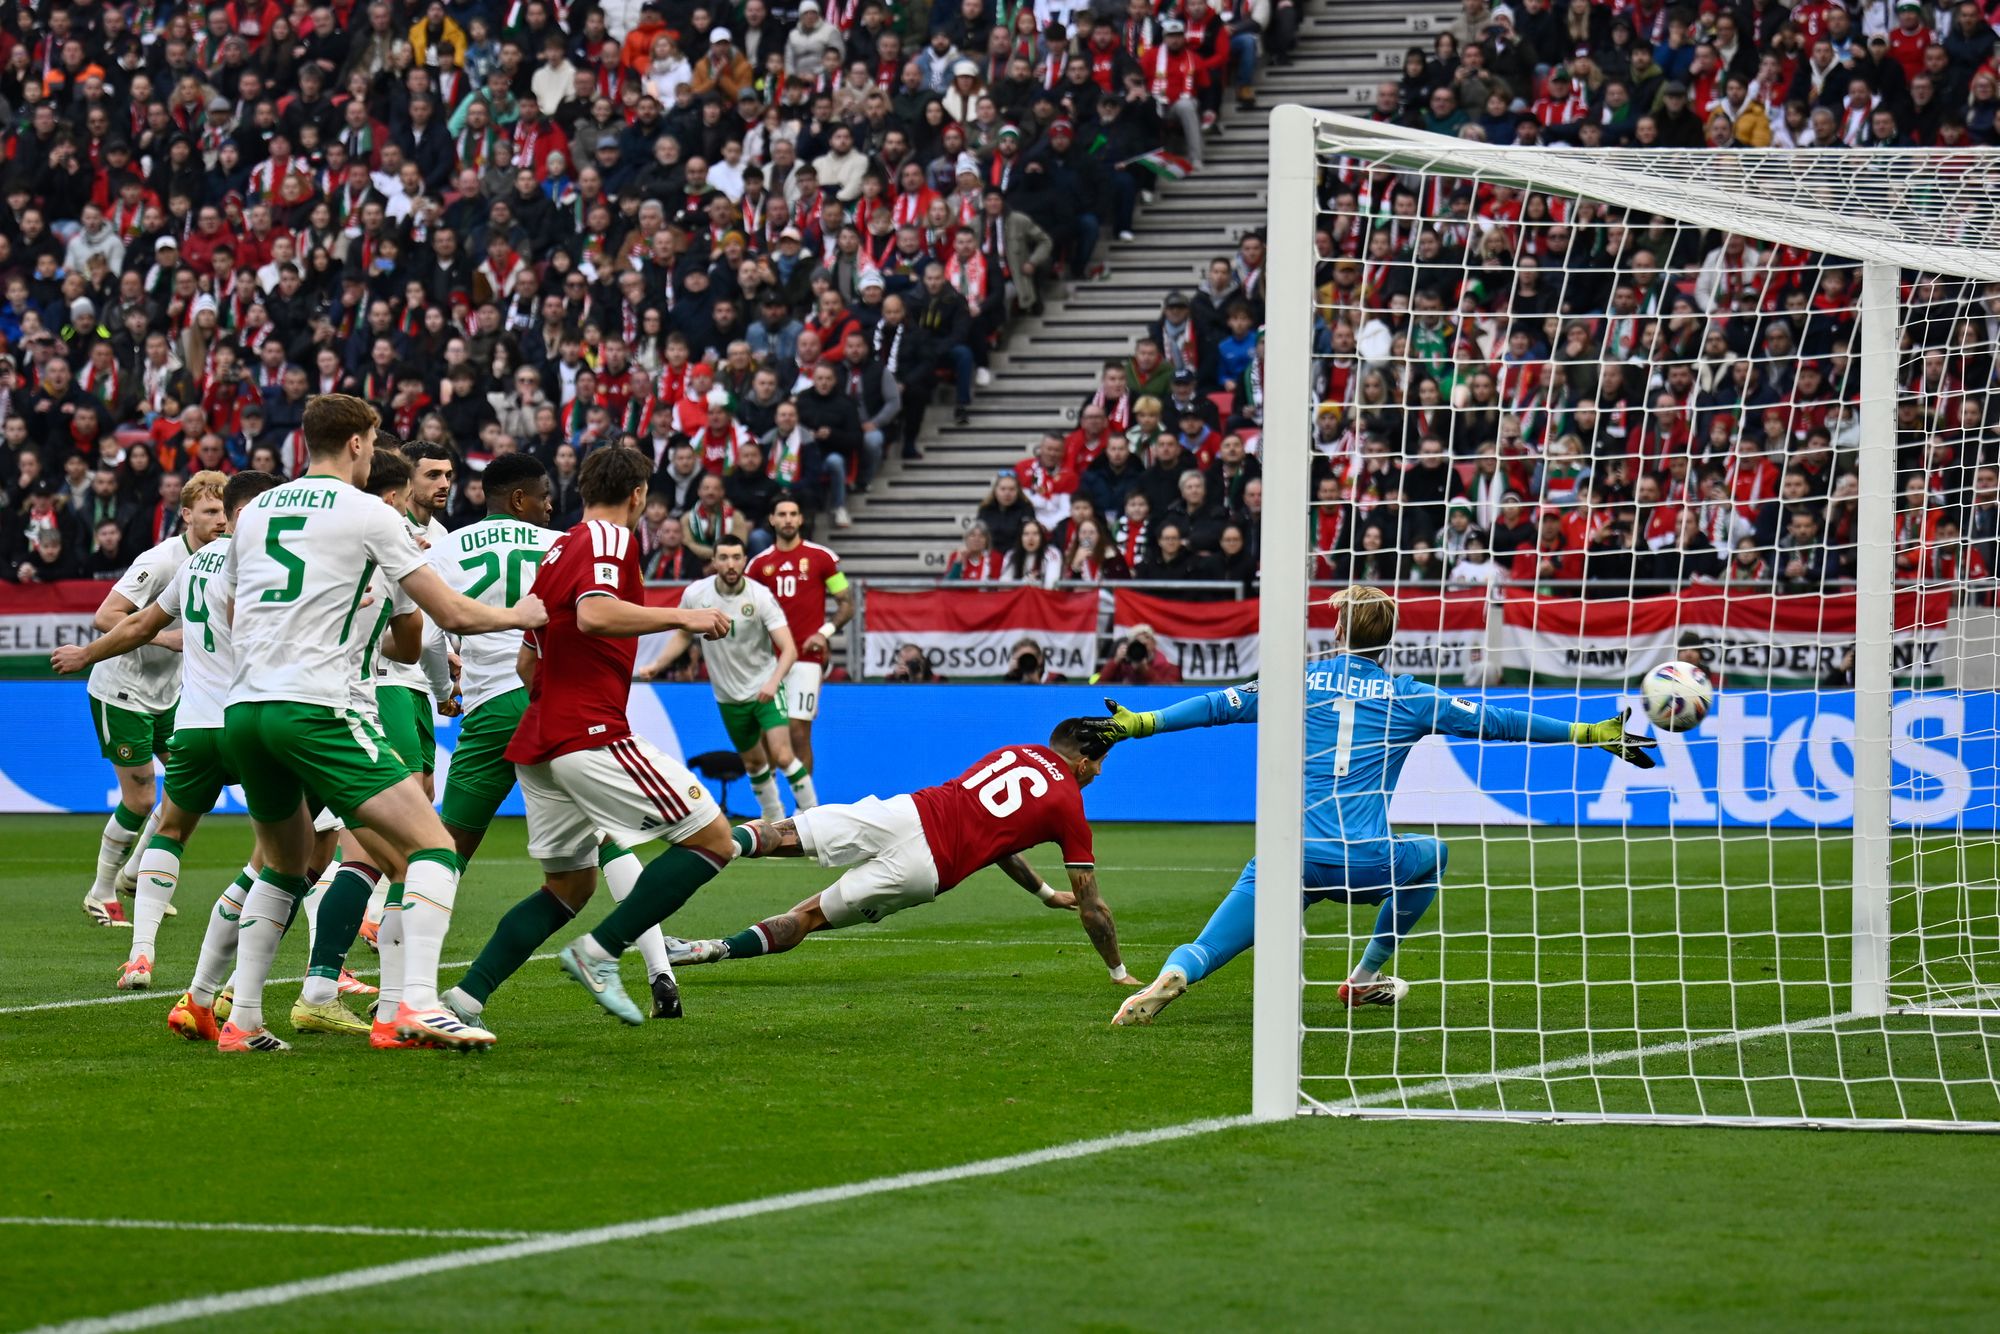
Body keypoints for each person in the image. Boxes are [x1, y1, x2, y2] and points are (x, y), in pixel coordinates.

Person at [1103, 586, 1660, 1026]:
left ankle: (1176, 973)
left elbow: (1216, 705)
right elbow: (1500, 723)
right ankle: (1365, 976)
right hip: (1364, 859)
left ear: (1340, 629)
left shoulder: (1297, 680)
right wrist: (1587, 731)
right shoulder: (1411, 695)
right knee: (1432, 854)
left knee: (1208, 945)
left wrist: (1142, 723)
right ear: (1388, 639)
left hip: (1288, 856)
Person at [214, 394, 548, 1053]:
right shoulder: (371, 513)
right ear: (362, 444)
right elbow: (448, 615)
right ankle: (413, 1007)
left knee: (283, 866)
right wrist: (523, 614)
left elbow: (232, 609)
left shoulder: (256, 514)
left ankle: (243, 1018)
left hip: (244, 709)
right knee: (433, 845)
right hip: (316, 708)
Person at [437, 445, 738, 1031]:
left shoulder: (559, 548)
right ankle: (599, 953)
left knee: (569, 885)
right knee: (713, 840)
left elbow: (528, 662)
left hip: (540, 736)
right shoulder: (610, 540)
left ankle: (466, 999)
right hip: (588, 731)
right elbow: (597, 615)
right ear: (638, 495)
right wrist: (685, 616)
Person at [666, 719, 1136, 986]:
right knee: (809, 916)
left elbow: (1001, 841)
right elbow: (1092, 907)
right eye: (1099, 764)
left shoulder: (1013, 752)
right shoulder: (1069, 804)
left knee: (784, 832)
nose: (1098, 773)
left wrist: (1042, 892)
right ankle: (711, 950)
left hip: (907, 813)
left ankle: (703, 838)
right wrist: (1117, 970)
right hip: (926, 868)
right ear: (1081, 762)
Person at [76, 470, 232, 928]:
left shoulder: (222, 560)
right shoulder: (161, 560)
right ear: (185, 515)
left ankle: (135, 874)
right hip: (122, 690)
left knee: (192, 784)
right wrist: (167, 639)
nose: (220, 521)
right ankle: (101, 892)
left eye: (224, 511)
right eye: (209, 512)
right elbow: (106, 616)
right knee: (142, 796)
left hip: (170, 695)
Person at [637, 533, 816, 822]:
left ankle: (811, 818)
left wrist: (773, 683)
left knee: (783, 755)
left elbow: (790, 649)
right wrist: (657, 664)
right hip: (728, 697)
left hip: (765, 688)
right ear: (714, 561)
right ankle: (773, 822)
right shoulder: (697, 594)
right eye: (724, 558)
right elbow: (684, 634)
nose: (730, 564)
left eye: (736, 557)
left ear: (744, 560)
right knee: (754, 763)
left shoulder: (759, 596)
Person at [748, 498, 855, 780]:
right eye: (782, 514)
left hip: (807, 660)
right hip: (768, 660)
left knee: (798, 730)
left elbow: (847, 603)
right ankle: (770, 810)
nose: (788, 519)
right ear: (771, 519)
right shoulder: (758, 566)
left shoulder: (822, 558)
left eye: (793, 514)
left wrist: (825, 632)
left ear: (800, 519)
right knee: (766, 734)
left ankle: (804, 811)